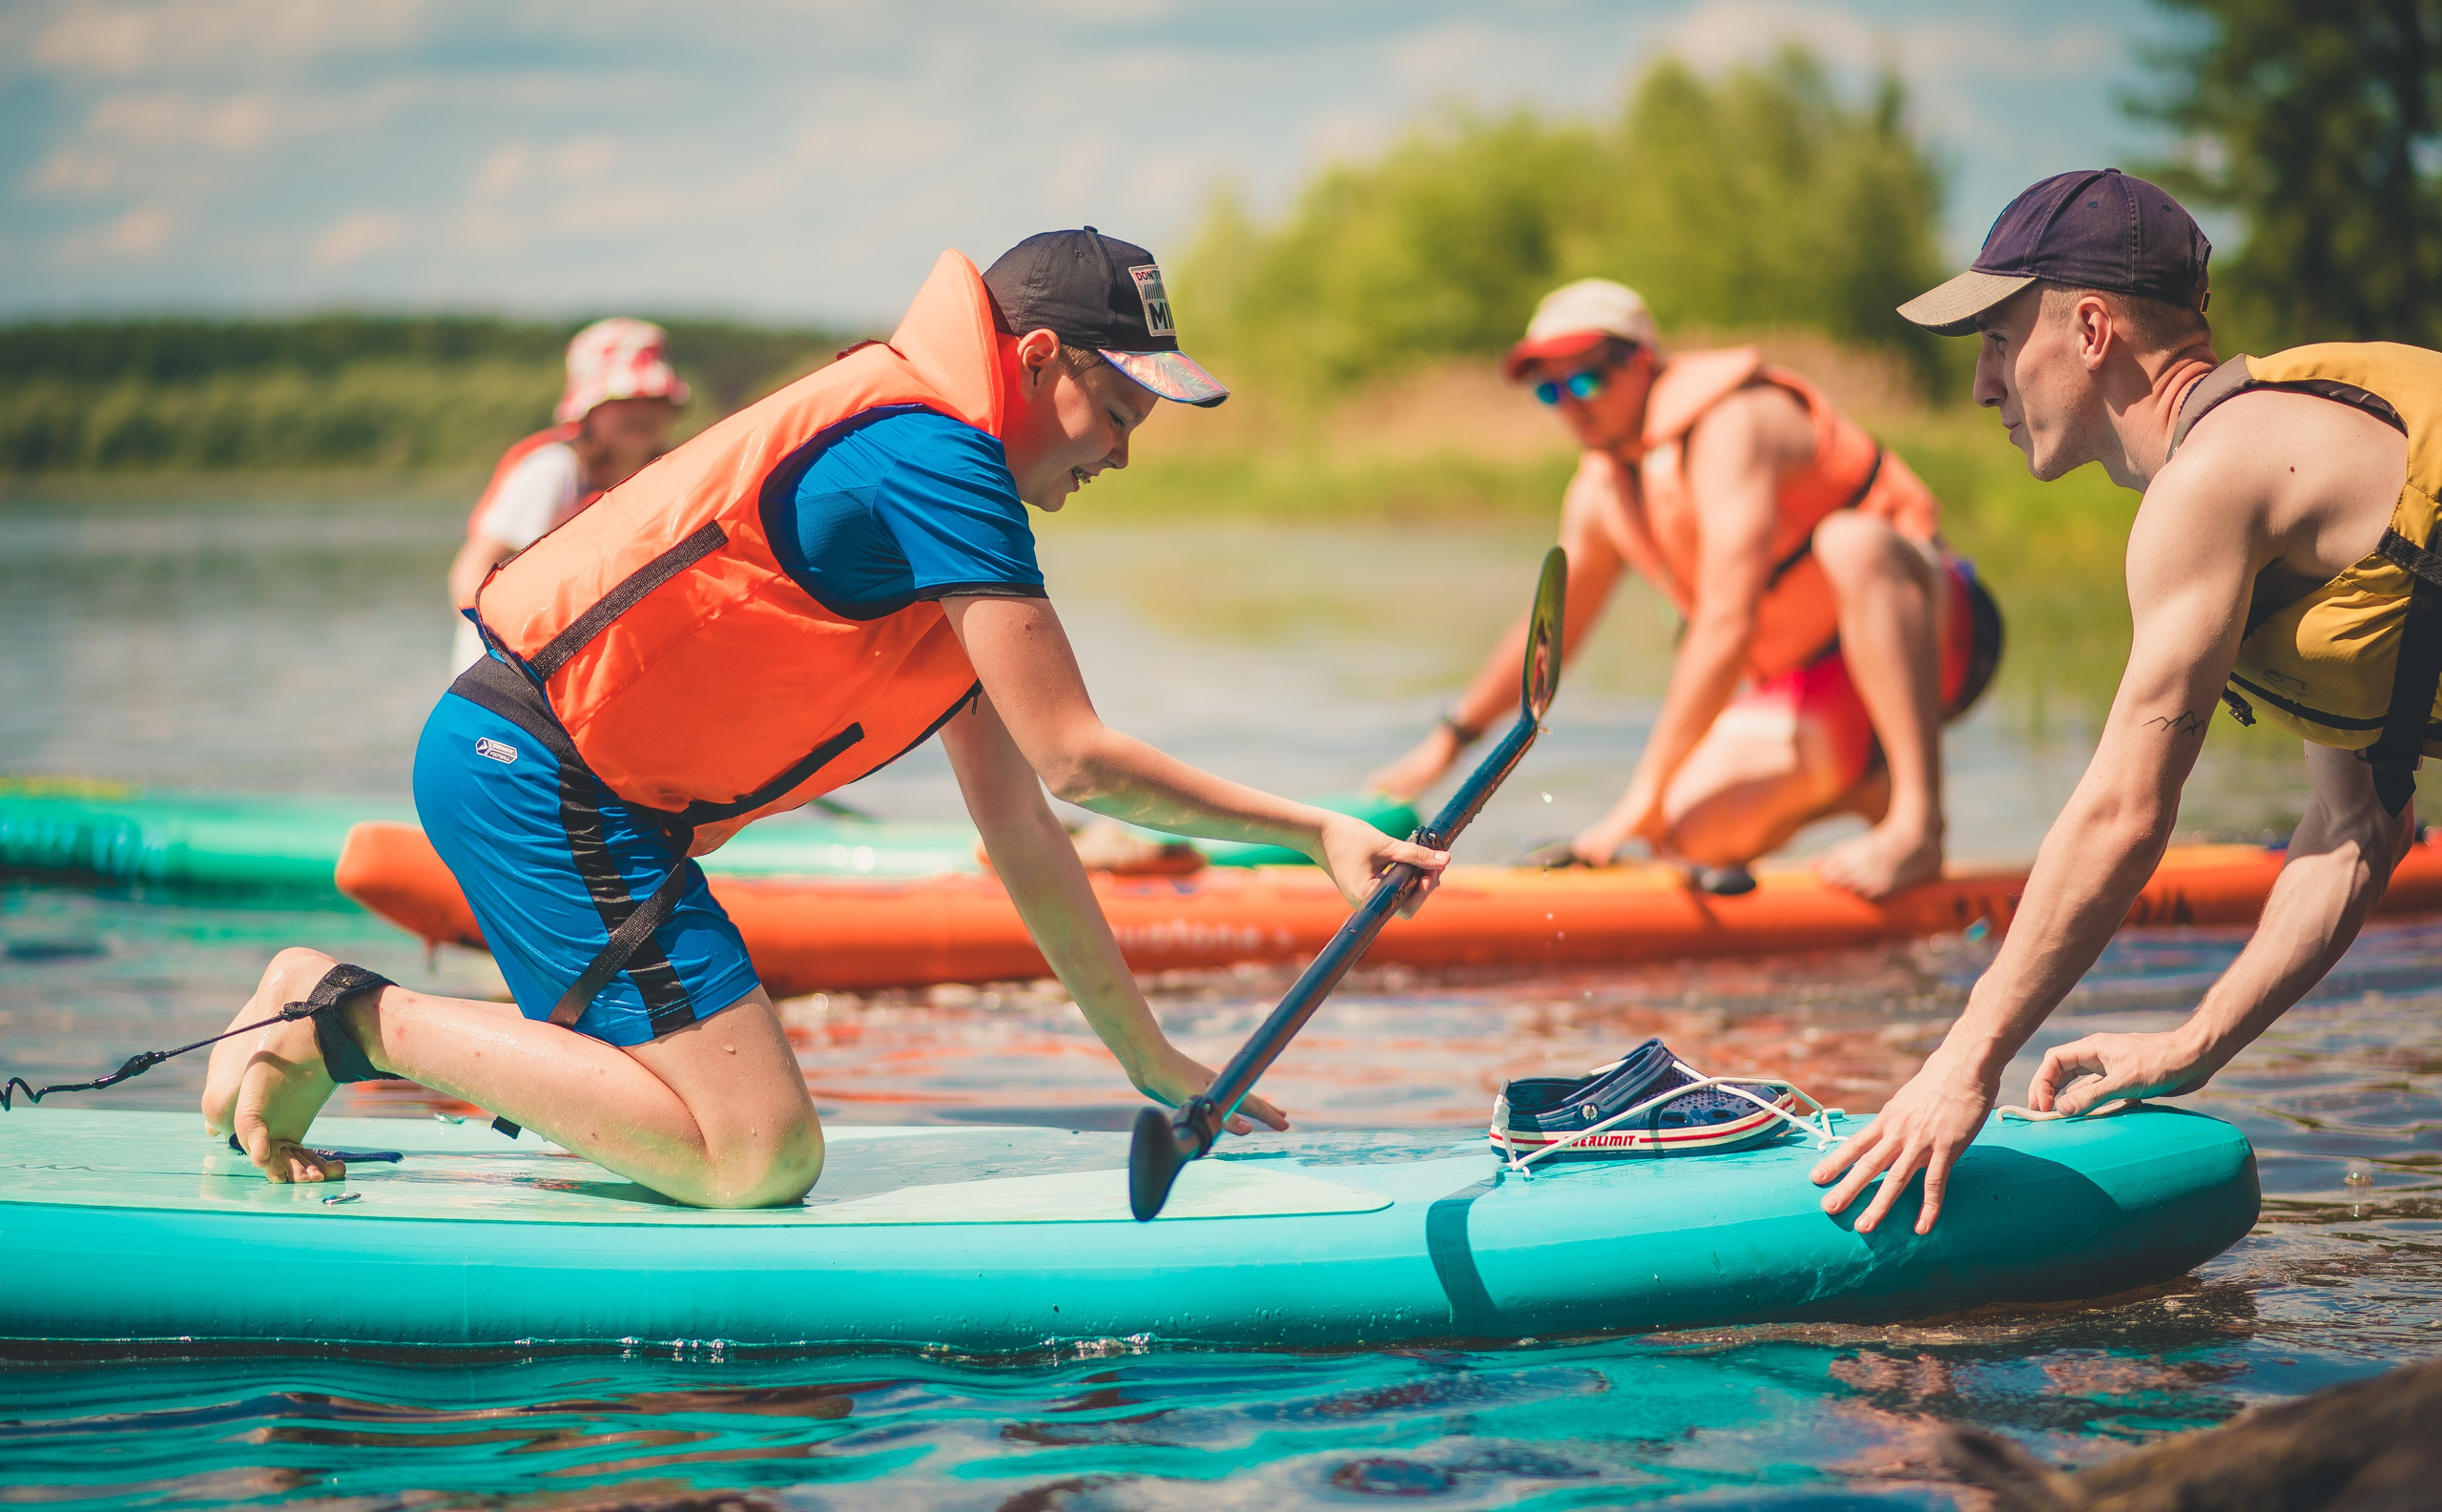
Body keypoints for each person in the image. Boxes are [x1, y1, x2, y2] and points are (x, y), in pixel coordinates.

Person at [205, 229, 1448, 1207]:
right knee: (758, 1153)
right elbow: (1077, 757)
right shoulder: (937, 462)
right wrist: (1314, 830)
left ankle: (361, 1030)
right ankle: (338, 1013)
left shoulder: (943, 514)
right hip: (530, 773)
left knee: (708, 1129)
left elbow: (1023, 826)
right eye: (1118, 413)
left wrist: (1147, 1058)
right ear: (1036, 363)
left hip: (585, 803)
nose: (1121, 456)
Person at [1811, 169, 2432, 1234]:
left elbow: (2122, 812)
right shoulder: (2259, 464)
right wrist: (2195, 1041)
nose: (1981, 386)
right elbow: (2356, 826)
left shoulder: (2215, 475)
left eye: (2000, 340)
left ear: (2090, 327)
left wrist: (1963, 1061)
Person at [1371, 280, 2002, 899]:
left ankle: (1919, 824)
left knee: (1852, 541)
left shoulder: (1732, 424)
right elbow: (1549, 639)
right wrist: (1448, 738)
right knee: (1689, 835)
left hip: (1937, 638)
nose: (1571, 402)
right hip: (1819, 680)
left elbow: (1727, 624)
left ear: (1641, 362)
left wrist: (1636, 799)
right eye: (1550, 390)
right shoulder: (1600, 491)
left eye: (1586, 379)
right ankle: (1874, 790)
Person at [445, 319, 690, 676]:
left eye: (654, 397)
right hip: (512, 674)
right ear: (588, 409)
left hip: (587, 673)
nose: (641, 410)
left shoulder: (668, 474)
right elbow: (472, 569)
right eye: (623, 398)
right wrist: (507, 648)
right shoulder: (556, 469)